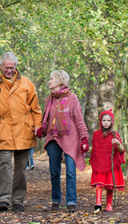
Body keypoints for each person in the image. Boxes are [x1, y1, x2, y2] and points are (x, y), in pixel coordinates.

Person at [0, 52, 42, 211]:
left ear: (16, 67)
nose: (9, 70)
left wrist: (37, 125)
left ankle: (18, 200)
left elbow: (36, 108)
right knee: (5, 165)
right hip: (4, 127)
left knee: (21, 167)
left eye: (12, 67)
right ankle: (3, 200)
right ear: (1, 67)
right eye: (6, 67)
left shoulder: (27, 83)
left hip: (24, 129)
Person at [35, 70, 89, 212]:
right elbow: (48, 120)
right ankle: (56, 200)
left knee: (71, 172)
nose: (49, 81)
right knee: (54, 172)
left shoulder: (72, 98)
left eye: (51, 79)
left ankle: (71, 201)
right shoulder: (50, 99)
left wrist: (84, 138)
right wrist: (42, 130)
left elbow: (79, 120)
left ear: (60, 81)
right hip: (53, 138)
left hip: (70, 139)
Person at [90, 110, 125, 212]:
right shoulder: (96, 134)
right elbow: (95, 149)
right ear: (100, 121)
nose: (106, 122)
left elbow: (121, 150)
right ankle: (98, 203)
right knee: (99, 183)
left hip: (111, 164)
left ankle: (109, 205)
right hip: (100, 163)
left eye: (108, 120)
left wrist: (117, 143)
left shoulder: (115, 135)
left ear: (112, 122)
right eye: (104, 120)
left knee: (110, 185)